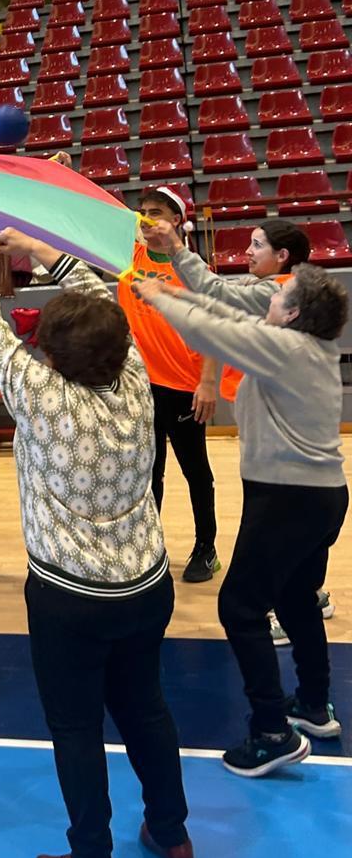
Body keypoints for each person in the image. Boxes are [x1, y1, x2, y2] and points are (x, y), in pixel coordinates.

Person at [0, 228, 191, 858]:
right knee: (147, 709)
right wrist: (40, 248)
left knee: (76, 726)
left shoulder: (41, 393)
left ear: (52, 354)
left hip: (71, 599)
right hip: (146, 585)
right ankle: (172, 836)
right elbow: (95, 298)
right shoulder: (137, 377)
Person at [131, 262, 349, 777]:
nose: (268, 299)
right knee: (296, 599)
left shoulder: (284, 349)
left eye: (278, 296)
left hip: (287, 499)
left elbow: (211, 330)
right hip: (320, 497)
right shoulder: (303, 344)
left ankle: (272, 731)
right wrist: (169, 288)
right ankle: (314, 706)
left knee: (240, 608)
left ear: (292, 313)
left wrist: (160, 300)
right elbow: (226, 311)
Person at [141, 214, 333, 640]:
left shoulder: (278, 293)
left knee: (271, 541)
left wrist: (173, 254)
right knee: (297, 531)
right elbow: (220, 297)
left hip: (286, 464)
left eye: (257, 245)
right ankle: (307, 595)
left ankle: (291, 606)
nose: (246, 251)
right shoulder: (278, 289)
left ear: (282, 257)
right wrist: (169, 289)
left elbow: (216, 297)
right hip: (293, 459)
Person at [115, 187, 220, 583]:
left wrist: (208, 382)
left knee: (196, 471)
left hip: (184, 386)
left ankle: (206, 548)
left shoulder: (194, 271)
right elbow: (90, 217)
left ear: (177, 220)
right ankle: (149, 547)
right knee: (148, 473)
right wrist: (62, 173)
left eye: (155, 212)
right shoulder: (128, 258)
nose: (145, 219)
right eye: (142, 213)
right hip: (139, 387)